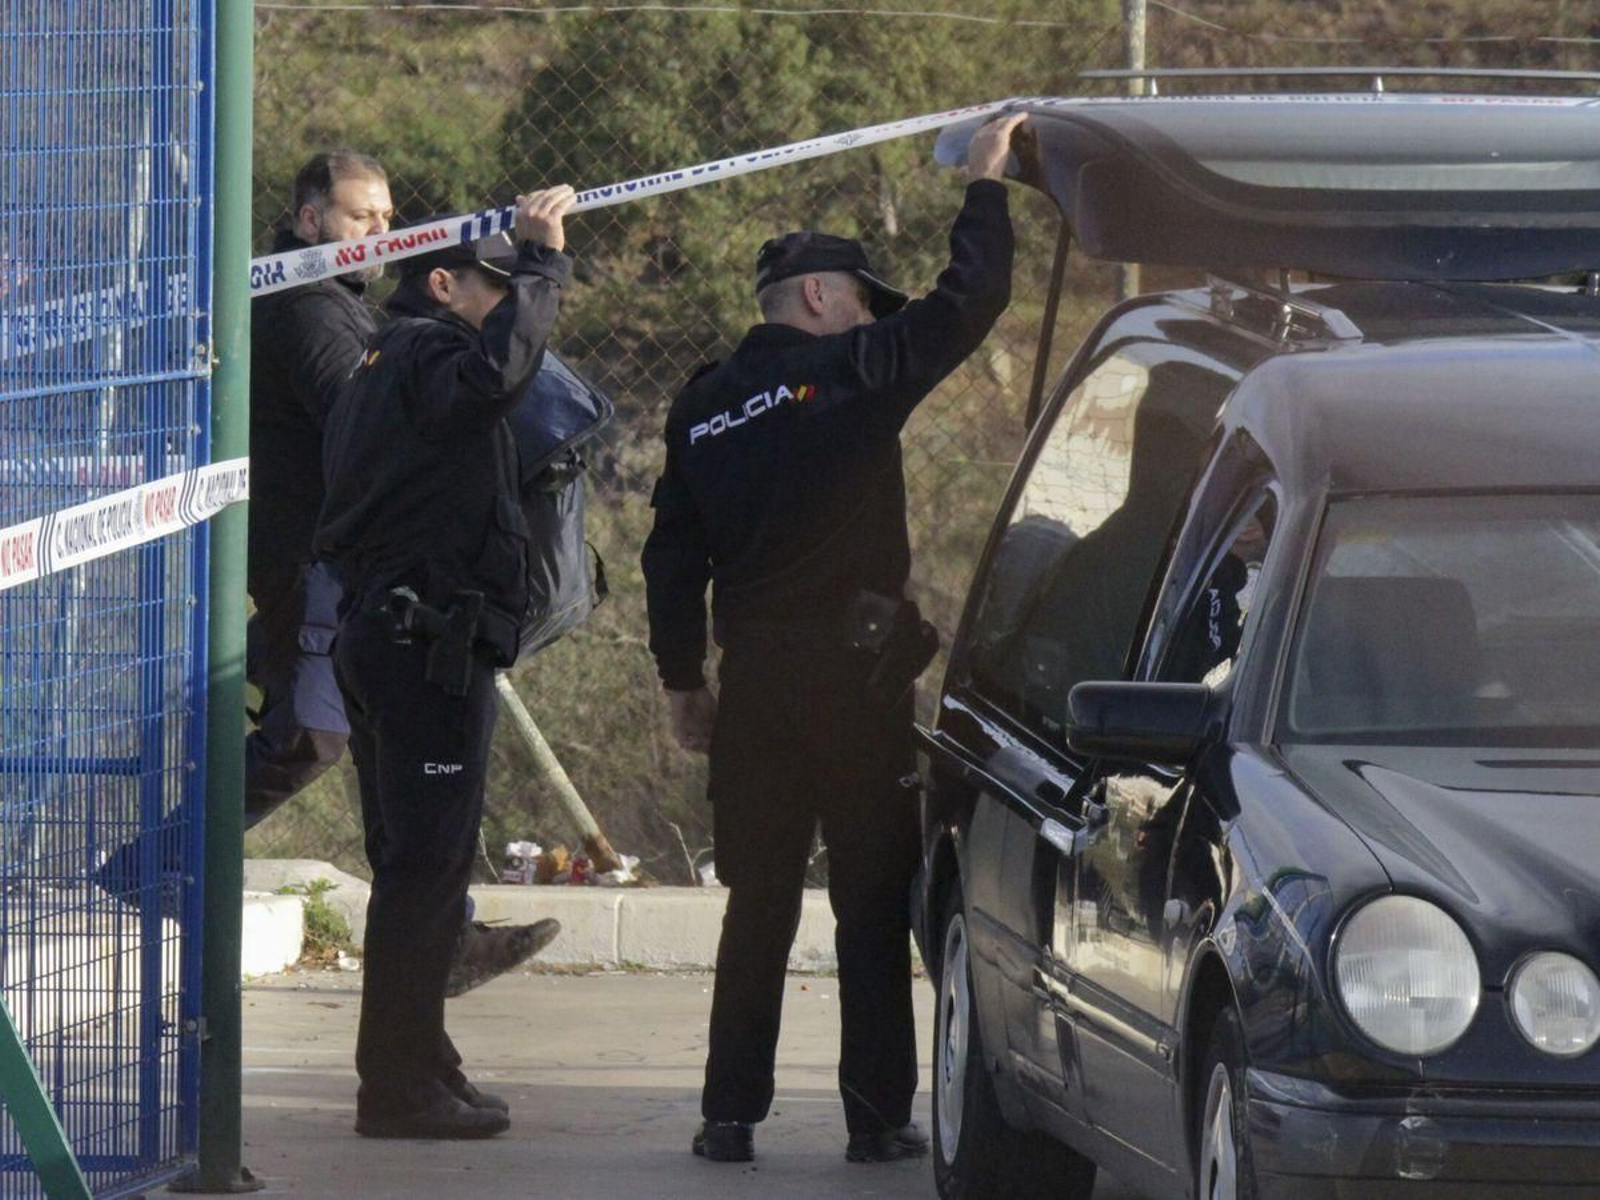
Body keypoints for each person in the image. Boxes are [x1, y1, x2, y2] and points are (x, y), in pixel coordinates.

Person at [641, 112, 1026, 1164]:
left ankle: (728, 1118)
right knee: (868, 901)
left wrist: (684, 683)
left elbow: (670, 558)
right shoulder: (851, 370)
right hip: (854, 688)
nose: (867, 314)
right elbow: (969, 303)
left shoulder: (702, 406)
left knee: (754, 905)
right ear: (821, 297)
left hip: (754, 687)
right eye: (859, 297)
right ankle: (874, 1121)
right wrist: (985, 188)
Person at [314, 185, 577, 1139]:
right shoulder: (427, 353)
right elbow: (495, 377)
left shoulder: (384, 366)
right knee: (424, 871)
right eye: (493, 290)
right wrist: (546, 264)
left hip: (395, 640)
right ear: (441, 283)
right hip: (418, 649)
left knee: (415, 868)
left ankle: (421, 1060)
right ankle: (397, 1087)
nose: (505, 309)